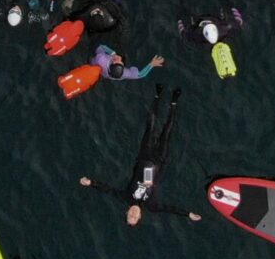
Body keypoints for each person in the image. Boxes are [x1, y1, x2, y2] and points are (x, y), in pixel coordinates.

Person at [77, 86, 202, 224]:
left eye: (130, 216)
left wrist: (91, 183)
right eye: (135, 218)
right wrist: (188, 214)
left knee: (151, 125)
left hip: (145, 155)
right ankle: (174, 102)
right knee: (167, 131)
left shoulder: (126, 197)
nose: (133, 215)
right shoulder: (151, 206)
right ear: (140, 217)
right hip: (159, 160)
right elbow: (169, 209)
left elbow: (108, 189)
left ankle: (158, 96)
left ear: (127, 212)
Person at [96, 43, 164, 81]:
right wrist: (152, 64)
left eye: (117, 61)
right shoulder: (124, 74)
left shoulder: (101, 59)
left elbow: (101, 47)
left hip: (100, 67)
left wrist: (113, 53)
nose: (119, 59)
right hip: (104, 74)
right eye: (120, 62)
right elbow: (141, 75)